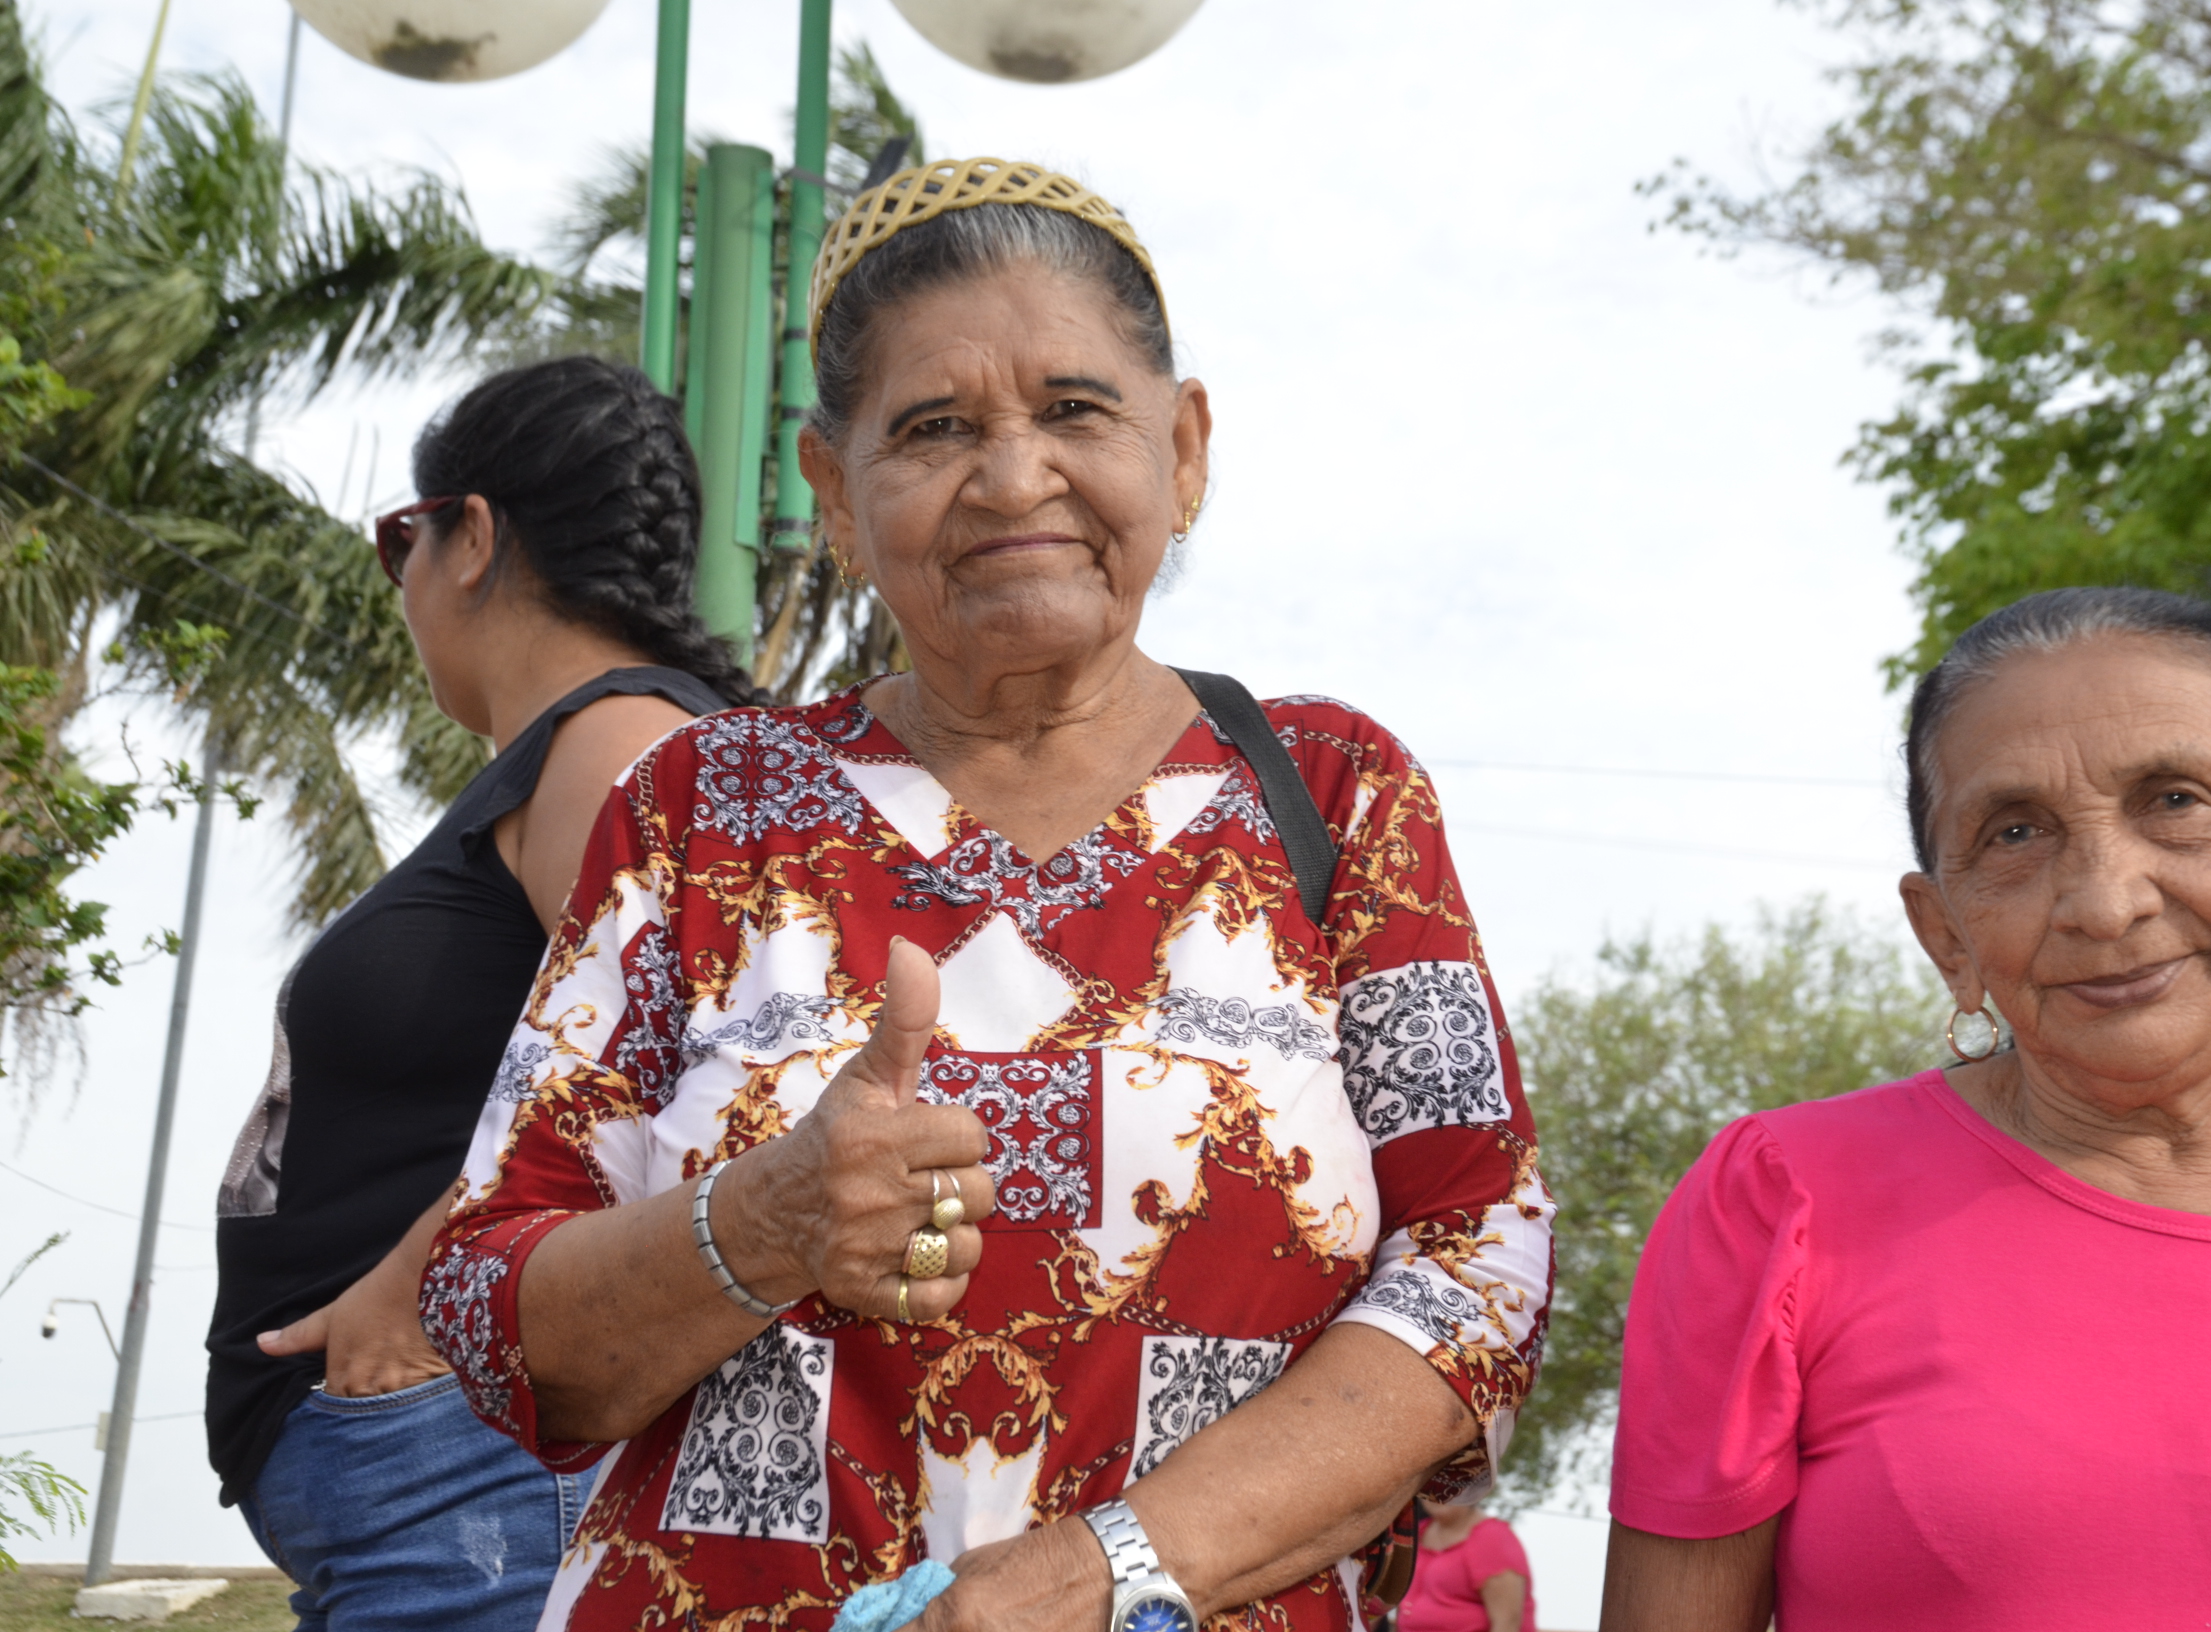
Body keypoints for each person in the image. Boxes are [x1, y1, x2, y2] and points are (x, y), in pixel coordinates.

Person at [419, 158, 1555, 1632]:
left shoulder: (1335, 793)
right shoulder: (705, 807)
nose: (1015, 478)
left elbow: (1478, 1257)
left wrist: (1100, 1576)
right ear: (836, 486)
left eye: (1076, 410)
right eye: (934, 428)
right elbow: (493, 1295)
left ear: (1186, 447)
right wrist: (761, 1222)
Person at [1601, 587, 2211, 1631]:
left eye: (2177, 800)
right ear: (1946, 935)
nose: (2105, 903)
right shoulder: (1783, 1198)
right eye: (2014, 832)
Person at [207, 356, 760, 1631]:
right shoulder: (593, 751)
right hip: (436, 1475)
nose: (399, 580)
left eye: (398, 539)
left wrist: (411, 1291)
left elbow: (709, 1084)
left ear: (471, 537)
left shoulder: (615, 740)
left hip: (471, 1461)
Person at [1397, 1504, 1537, 1632]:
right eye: (1434, 1486)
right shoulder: (1417, 1532)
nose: (1442, 1495)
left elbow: (1508, 1622)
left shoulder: (1492, 1537)